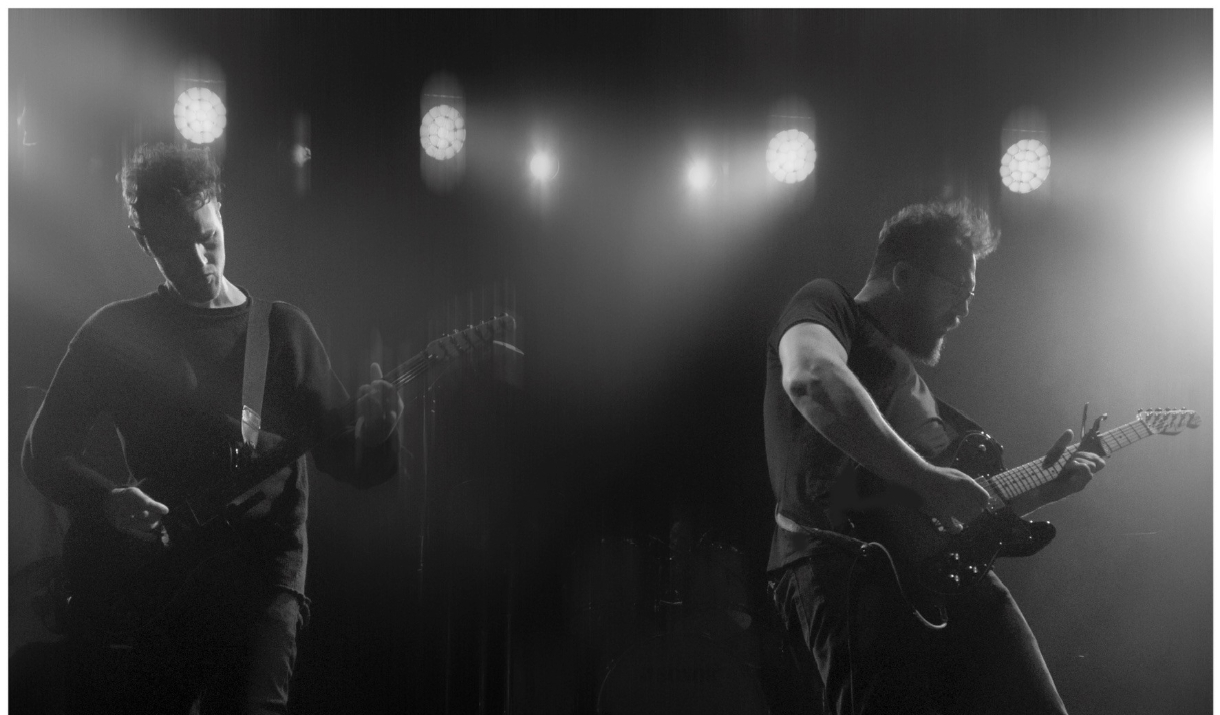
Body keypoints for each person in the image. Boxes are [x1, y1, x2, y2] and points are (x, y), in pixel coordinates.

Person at [21, 143, 405, 714]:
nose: (200, 259)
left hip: (264, 583)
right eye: (174, 248)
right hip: (157, 582)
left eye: (208, 236)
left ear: (221, 212)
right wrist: (107, 501)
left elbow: (356, 464)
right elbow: (42, 453)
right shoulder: (116, 334)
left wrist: (380, 434)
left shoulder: (283, 333)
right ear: (145, 244)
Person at [764, 201, 1106, 715]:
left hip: (944, 577)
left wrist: (1043, 489)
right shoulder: (827, 304)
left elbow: (948, 509)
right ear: (902, 275)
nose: (965, 310)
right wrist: (927, 478)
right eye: (959, 290)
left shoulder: (917, 390)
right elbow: (810, 378)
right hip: (849, 564)